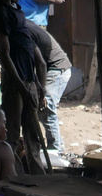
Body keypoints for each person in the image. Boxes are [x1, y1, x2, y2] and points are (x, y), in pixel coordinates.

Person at [0, 0, 49, 172]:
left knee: (34, 137)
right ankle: (11, 178)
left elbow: (32, 52)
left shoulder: (17, 10)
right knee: (12, 136)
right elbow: (4, 57)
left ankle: (38, 179)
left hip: (29, 83)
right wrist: (23, 87)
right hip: (15, 86)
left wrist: (37, 86)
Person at [29, 24, 72, 154]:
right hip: (52, 68)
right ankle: (58, 145)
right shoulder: (24, 24)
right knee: (44, 109)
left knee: (45, 107)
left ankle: (55, 148)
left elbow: (40, 64)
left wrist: (41, 93)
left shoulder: (22, 31)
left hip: (57, 69)